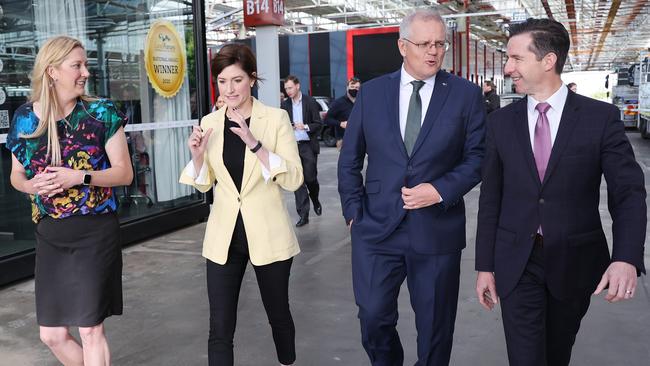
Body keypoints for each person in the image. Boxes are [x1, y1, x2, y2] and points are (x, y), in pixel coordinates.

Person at [475, 18, 646, 366]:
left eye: (516, 58)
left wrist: (625, 257)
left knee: (556, 354)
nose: (508, 68)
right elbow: (491, 198)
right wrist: (485, 266)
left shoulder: (600, 118)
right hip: (516, 262)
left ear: (548, 60)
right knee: (525, 358)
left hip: (575, 261)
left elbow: (627, 193)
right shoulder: (500, 123)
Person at [338, 8, 486, 365]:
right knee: (373, 317)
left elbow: (478, 157)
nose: (433, 51)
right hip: (375, 229)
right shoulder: (372, 94)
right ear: (402, 46)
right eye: (423, 44)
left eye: (439, 44)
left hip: (437, 230)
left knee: (436, 329)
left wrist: (438, 190)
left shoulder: (465, 95)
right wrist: (353, 213)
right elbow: (350, 159)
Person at [5, 36, 133, 366]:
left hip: (95, 232)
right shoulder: (24, 118)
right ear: (52, 71)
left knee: (91, 330)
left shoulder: (101, 113)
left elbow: (124, 174)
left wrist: (80, 176)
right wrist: (33, 186)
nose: (85, 72)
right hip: (50, 234)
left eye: (85, 64)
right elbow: (16, 176)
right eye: (77, 65)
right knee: (52, 334)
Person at [179, 43, 303, 366]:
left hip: (268, 234)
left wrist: (255, 144)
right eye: (222, 81)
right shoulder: (209, 122)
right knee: (219, 328)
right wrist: (196, 156)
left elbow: (294, 179)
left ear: (251, 78)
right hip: (223, 237)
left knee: (279, 316)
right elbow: (205, 182)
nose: (229, 89)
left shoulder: (275, 119)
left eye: (236, 80)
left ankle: (287, 361)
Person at [281, 75, 323, 227]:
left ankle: (315, 199)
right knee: (298, 181)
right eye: (286, 89)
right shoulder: (285, 105)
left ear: (297, 86)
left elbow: (318, 124)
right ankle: (303, 214)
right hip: (292, 146)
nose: (288, 91)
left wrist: (304, 126)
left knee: (310, 178)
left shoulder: (310, 102)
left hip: (308, 145)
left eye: (290, 88)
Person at [324, 76, 361, 150]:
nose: (354, 89)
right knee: (346, 161)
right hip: (344, 139)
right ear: (347, 87)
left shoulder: (362, 101)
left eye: (357, 87)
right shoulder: (339, 103)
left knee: (359, 161)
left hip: (360, 138)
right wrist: (340, 124)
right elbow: (327, 119)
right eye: (352, 86)